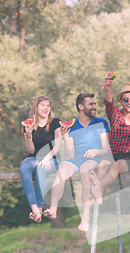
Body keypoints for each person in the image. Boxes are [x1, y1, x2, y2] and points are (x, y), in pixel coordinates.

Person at [43, 93, 110, 231]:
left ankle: (85, 218)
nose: (94, 106)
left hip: (93, 158)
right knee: (61, 171)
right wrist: (66, 136)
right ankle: (53, 208)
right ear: (80, 106)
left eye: (94, 104)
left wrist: (96, 151)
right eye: (91, 104)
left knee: (86, 173)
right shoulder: (72, 125)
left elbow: (105, 148)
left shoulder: (101, 122)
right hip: (75, 158)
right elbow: (70, 154)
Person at [20, 95, 62, 223]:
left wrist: (46, 158)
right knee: (24, 166)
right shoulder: (28, 125)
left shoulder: (55, 122)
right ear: (36, 107)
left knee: (40, 169)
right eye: (43, 105)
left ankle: (40, 206)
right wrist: (28, 135)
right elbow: (31, 150)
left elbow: (58, 146)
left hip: (52, 159)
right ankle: (34, 208)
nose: (46, 108)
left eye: (48, 106)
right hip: (34, 158)